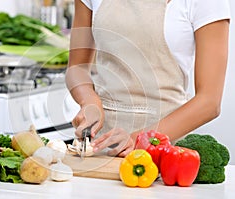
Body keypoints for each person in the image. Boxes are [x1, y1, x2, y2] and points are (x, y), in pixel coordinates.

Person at [65, 0, 231, 157]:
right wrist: (89, 101)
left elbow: (209, 102)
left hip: (167, 153)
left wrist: (139, 140)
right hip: (102, 149)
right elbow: (77, 67)